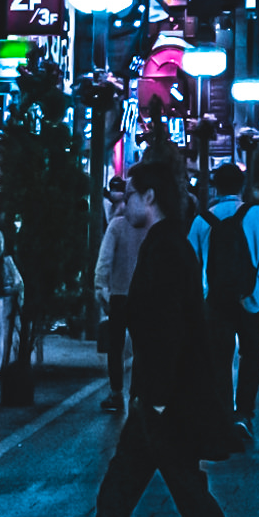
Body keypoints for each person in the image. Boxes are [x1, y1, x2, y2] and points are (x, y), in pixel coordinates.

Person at [13, 149, 259, 517]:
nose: (123, 202)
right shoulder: (166, 241)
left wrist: (154, 396)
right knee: (118, 493)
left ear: (149, 197)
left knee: (190, 501)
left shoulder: (167, 244)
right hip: (157, 403)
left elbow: (170, 326)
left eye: (129, 193)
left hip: (165, 406)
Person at [211, 163, 259, 435]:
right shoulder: (258, 215)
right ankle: (243, 413)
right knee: (251, 353)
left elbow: (193, 264)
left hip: (215, 301)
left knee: (219, 356)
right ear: (242, 186)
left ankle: (220, 414)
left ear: (214, 186)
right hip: (251, 298)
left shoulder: (202, 220)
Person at [96, 162, 156, 400]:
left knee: (116, 345)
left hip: (120, 293)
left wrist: (101, 288)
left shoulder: (117, 227)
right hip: (144, 294)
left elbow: (104, 260)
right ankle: (138, 392)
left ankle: (115, 390)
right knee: (143, 344)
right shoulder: (151, 227)